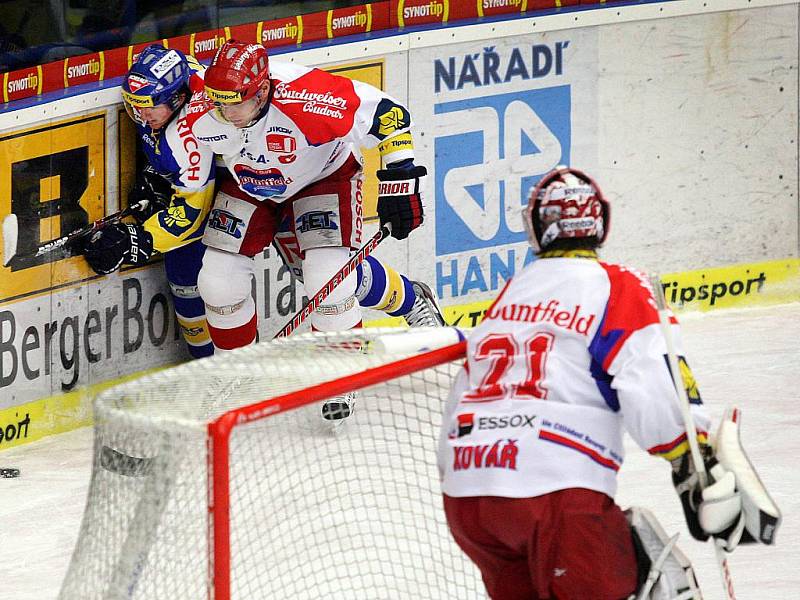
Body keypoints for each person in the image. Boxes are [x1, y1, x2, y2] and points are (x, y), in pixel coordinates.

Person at [437, 166, 781, 599]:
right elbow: (653, 381)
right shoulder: (618, 285)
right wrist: (690, 460)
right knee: (659, 587)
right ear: (600, 221)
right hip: (555, 494)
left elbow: (463, 389)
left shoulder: (512, 293)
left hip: (470, 499)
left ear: (537, 228)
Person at [184, 40, 442, 423]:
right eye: (218, 100)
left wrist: (400, 180)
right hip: (250, 185)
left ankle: (340, 375)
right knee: (217, 280)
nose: (224, 111)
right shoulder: (207, 101)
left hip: (323, 178)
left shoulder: (308, 98)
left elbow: (390, 116)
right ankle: (236, 375)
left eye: (234, 102)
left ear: (263, 90)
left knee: (328, 280)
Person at [83, 44, 216, 358]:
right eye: (135, 104)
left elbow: (192, 211)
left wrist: (141, 239)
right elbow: (166, 55)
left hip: (250, 186)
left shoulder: (187, 137)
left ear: (176, 100)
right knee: (184, 281)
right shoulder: (175, 82)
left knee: (217, 284)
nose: (140, 114)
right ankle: (207, 367)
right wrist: (155, 173)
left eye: (148, 107)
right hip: (200, 181)